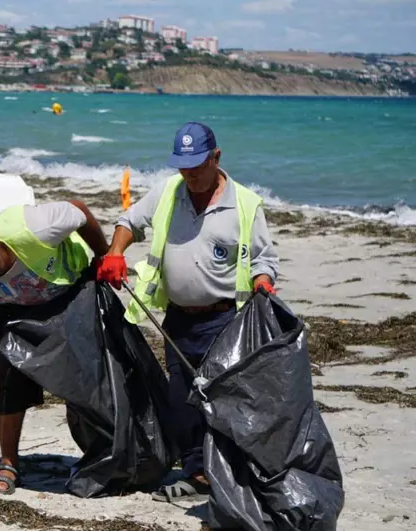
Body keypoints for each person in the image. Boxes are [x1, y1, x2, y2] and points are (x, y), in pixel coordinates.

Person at [97, 122, 279, 502]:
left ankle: (229, 475)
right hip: (177, 319)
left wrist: (263, 283)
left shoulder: (245, 205)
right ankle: (196, 475)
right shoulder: (168, 192)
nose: (190, 175)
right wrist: (115, 252)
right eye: (183, 167)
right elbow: (129, 221)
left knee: (221, 400)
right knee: (182, 400)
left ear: (216, 157)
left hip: (224, 320)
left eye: (197, 166)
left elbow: (263, 258)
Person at [0, 200, 110, 494]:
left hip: (69, 293)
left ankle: (104, 454)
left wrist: (104, 255)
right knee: (9, 371)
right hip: (16, 307)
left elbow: (79, 210)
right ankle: (9, 463)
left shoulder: (39, 227)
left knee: (87, 376)